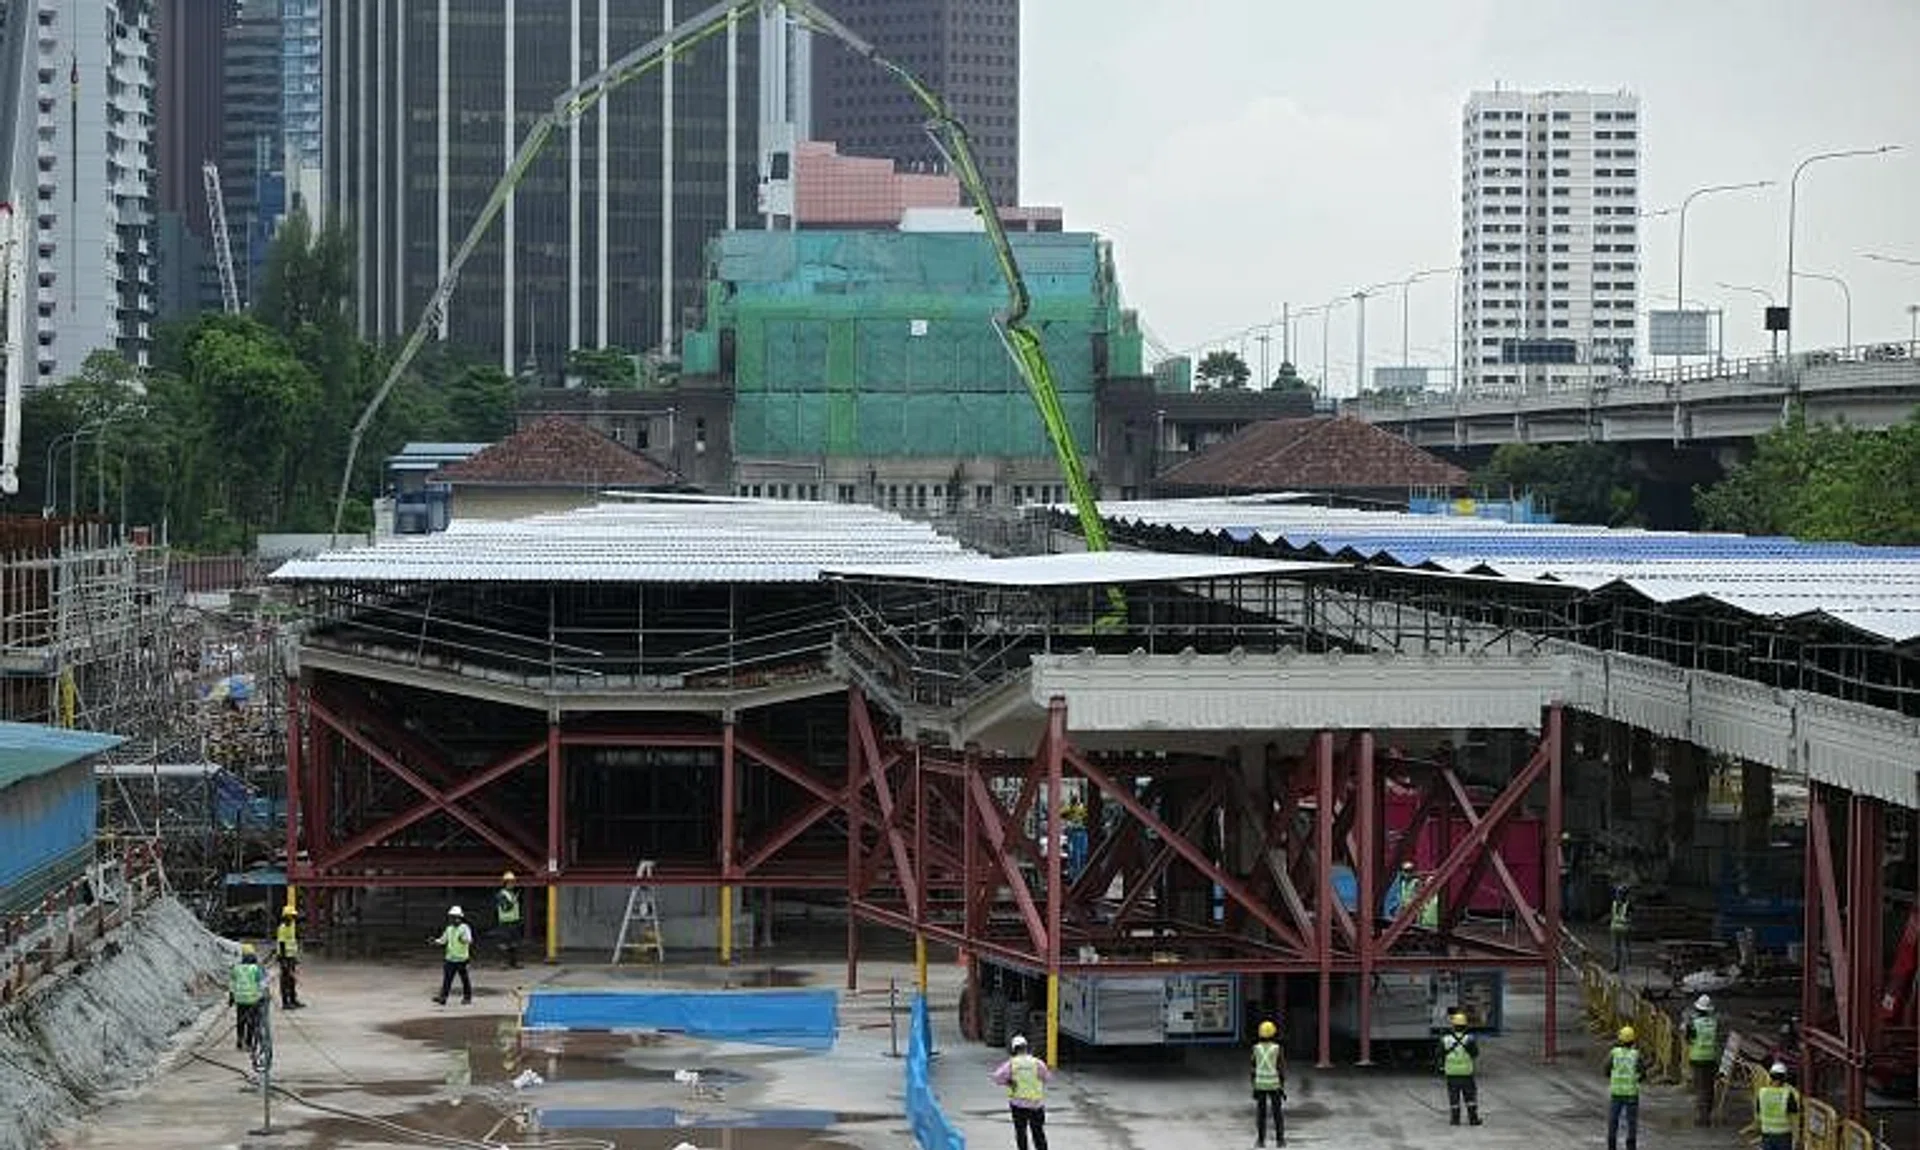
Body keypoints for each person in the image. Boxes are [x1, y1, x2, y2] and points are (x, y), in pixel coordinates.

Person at [990, 1033, 1052, 1150]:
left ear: (1014, 1049)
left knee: (1020, 1133)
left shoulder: (1012, 1063)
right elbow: (1047, 1078)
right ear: (1026, 1047)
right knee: (1038, 1133)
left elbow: (997, 1077)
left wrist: (1008, 1082)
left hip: (1018, 1105)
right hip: (1035, 1104)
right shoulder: (1037, 1063)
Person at [1438, 1010, 1483, 1127]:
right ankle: (1473, 1119)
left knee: (1453, 1096)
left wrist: (1442, 1067)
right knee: (1470, 1096)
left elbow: (1440, 1054)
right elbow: (1475, 1054)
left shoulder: (1445, 1039)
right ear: (1465, 1025)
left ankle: (1455, 1120)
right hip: (1466, 1073)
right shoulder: (1470, 1039)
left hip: (1451, 1073)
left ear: (1453, 1025)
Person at [1606, 1025, 1647, 1150]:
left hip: (1616, 1092)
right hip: (1631, 1094)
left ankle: (1611, 1145)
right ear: (1633, 1040)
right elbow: (1643, 1073)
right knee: (1631, 1122)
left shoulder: (1614, 1053)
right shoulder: (1636, 1055)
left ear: (1620, 1039)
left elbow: (1606, 1069)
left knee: (1613, 1120)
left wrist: (1614, 1078)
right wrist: (1636, 1080)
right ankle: (1631, 1145)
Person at [1682, 994, 1720, 1126]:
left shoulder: (1694, 1023)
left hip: (1697, 1058)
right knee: (1709, 1088)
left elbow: (1688, 1038)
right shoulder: (1714, 1023)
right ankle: (1707, 1113)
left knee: (1700, 1088)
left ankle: (1702, 1118)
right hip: (1711, 1058)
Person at [1251, 1018, 1286, 1147]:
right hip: (1274, 1085)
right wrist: (1282, 1086)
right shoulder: (1277, 1049)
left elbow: (1253, 1069)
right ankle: (1280, 1140)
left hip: (1260, 1084)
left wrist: (1254, 1087)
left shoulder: (1256, 1048)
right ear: (1273, 1033)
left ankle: (1260, 1141)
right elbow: (1281, 1069)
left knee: (1261, 1114)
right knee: (1277, 1113)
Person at [431, 905, 474, 1005]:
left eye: (454, 917)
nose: (453, 919)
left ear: (460, 917)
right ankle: (443, 997)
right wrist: (435, 941)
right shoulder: (449, 929)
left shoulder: (465, 928)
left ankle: (467, 997)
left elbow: (469, 940)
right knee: (447, 979)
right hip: (450, 958)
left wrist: (463, 940)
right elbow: (443, 940)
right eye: (451, 917)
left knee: (465, 979)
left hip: (462, 959)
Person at [1753, 1062, 1801, 1150]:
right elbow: (1794, 1119)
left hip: (1766, 1134)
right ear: (1784, 1078)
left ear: (1770, 1076)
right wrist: (1796, 1139)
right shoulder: (1788, 1094)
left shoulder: (1762, 1093)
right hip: (1783, 1136)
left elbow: (1758, 1116)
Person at [229, 943, 267, 1050]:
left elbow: (232, 984)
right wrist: (262, 996)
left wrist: (231, 997)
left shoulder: (236, 968)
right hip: (252, 999)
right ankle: (249, 1043)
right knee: (252, 1021)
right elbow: (261, 984)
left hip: (240, 999)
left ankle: (239, 1040)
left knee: (241, 1020)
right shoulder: (255, 969)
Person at [274, 905, 305, 1009]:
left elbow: (292, 942)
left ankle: (293, 999)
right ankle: (285, 1002)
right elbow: (282, 944)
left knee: (292, 980)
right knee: (285, 980)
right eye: (290, 916)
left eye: (293, 916)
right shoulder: (282, 928)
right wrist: (283, 960)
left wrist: (294, 957)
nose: (292, 918)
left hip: (291, 956)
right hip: (284, 957)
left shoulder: (292, 925)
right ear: (285, 916)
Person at [495, 871, 522, 969]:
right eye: (510, 882)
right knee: (504, 944)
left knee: (514, 943)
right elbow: (505, 908)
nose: (512, 884)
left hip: (514, 922)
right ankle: (503, 963)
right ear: (505, 883)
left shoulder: (512, 894)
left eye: (513, 882)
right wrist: (513, 902)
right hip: (505, 923)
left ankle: (513, 962)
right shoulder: (501, 894)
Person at [1609, 886, 1632, 972]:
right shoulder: (1617, 903)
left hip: (1620, 928)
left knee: (1621, 948)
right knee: (1619, 948)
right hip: (1618, 928)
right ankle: (1619, 966)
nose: (1618, 895)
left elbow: (1629, 917)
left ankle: (1621, 966)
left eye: (1619, 893)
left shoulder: (1624, 904)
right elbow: (1613, 915)